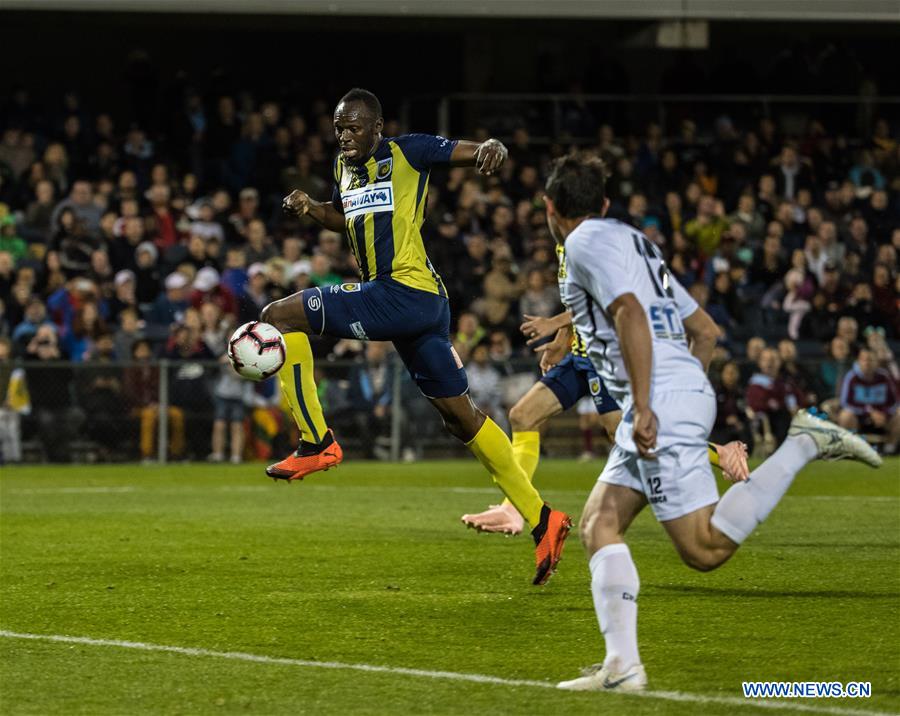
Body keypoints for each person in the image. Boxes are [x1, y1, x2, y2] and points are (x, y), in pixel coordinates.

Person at [538, 154, 880, 693]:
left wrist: (653, 405)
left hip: (656, 397)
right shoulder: (635, 242)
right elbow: (708, 330)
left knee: (702, 549)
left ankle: (802, 443)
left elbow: (628, 311)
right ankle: (622, 667)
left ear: (550, 207)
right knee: (598, 522)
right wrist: (680, 398)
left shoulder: (579, 243)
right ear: (605, 203)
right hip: (675, 387)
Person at [254, 88, 571, 585]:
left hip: (403, 292)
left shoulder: (408, 151)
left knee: (279, 314)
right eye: (339, 128)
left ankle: (317, 439)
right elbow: (348, 219)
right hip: (420, 306)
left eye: (354, 127)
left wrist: (490, 147)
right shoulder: (345, 171)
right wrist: (314, 209)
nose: (344, 137)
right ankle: (543, 520)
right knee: (459, 416)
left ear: (377, 128)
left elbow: (468, 150)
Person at [838, 347, 899, 454]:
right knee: (845, 415)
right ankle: (853, 449)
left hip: (882, 418)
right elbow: (845, 403)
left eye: (871, 360)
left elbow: (894, 402)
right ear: (858, 361)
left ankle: (890, 449)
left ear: (876, 362)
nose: (867, 363)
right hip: (859, 418)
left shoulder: (884, 377)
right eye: (864, 359)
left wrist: (883, 414)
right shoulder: (851, 377)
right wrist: (869, 412)